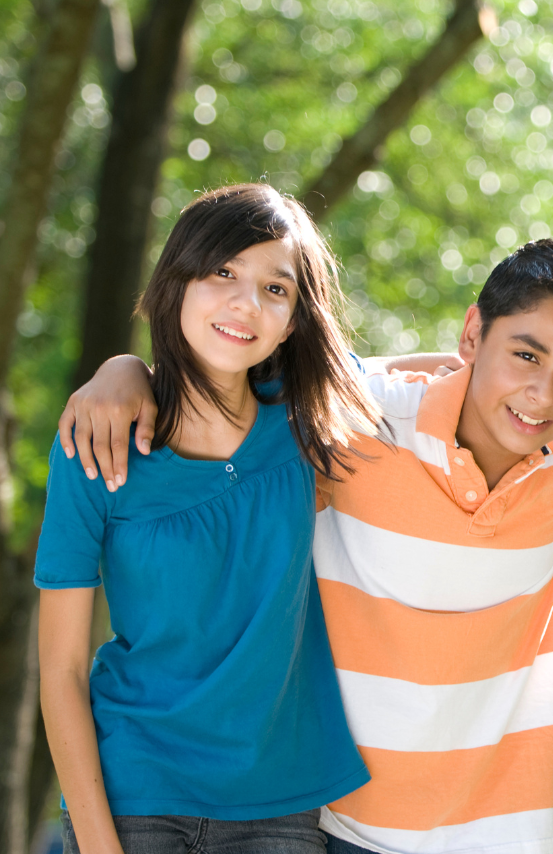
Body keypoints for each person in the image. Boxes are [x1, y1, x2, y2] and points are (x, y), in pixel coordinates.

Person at [61, 238, 553, 854]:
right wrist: (126, 370)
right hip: (347, 825)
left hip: (511, 833)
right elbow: (228, 372)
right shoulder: (355, 420)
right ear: (473, 333)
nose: (543, 393)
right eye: (524, 354)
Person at [35, 184, 378, 854]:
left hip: (279, 805)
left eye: (275, 289)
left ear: (293, 319)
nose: (246, 303)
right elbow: (61, 671)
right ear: (178, 280)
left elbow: (443, 386)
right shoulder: (93, 443)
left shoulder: (310, 423)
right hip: (135, 798)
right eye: (224, 272)